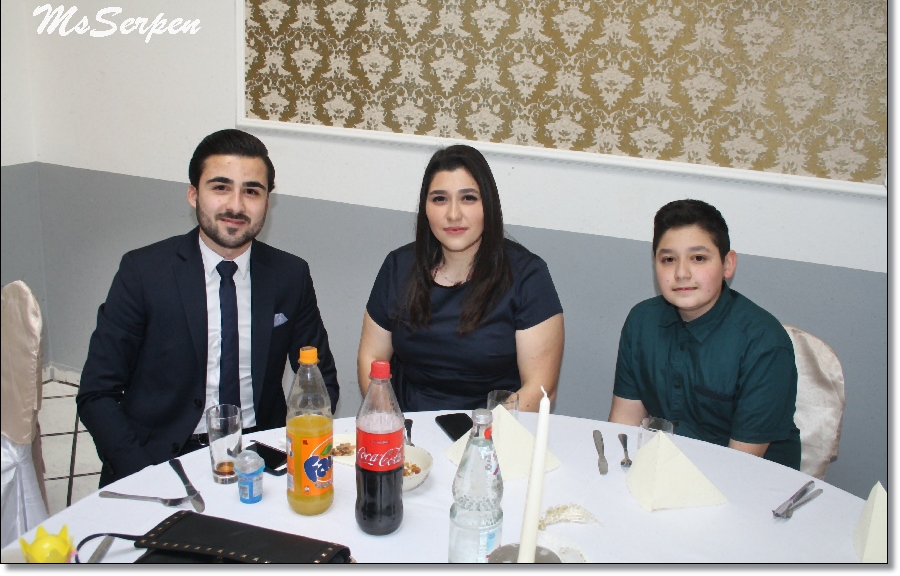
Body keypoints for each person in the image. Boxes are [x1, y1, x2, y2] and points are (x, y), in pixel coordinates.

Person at [76, 129, 339, 485]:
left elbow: (321, 379)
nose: (236, 206)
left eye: (252, 191)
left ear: (267, 201)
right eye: (220, 187)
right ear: (193, 194)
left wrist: (295, 448)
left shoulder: (290, 275)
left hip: (260, 452)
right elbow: (97, 393)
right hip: (159, 457)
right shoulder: (143, 272)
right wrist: (143, 473)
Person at [357, 144, 564, 413]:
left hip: (493, 427)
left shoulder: (528, 275)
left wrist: (481, 432)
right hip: (407, 425)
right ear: (425, 208)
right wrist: (388, 422)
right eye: (439, 199)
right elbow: (371, 357)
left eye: (468, 198)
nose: (453, 214)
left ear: (488, 205)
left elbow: (540, 387)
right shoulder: (398, 266)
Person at [608, 199, 800, 469]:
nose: (681, 273)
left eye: (698, 258)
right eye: (668, 260)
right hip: (667, 470)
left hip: (751, 480)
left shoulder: (764, 343)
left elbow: (741, 464)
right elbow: (625, 422)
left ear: (727, 264)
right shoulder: (642, 321)